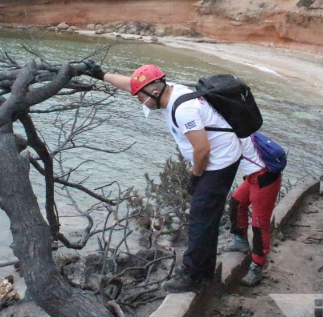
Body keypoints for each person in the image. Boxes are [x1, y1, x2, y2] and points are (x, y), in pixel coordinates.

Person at [82, 61, 242, 293]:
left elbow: (202, 150)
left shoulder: (184, 109)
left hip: (220, 162)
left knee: (201, 215)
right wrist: (100, 75)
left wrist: (195, 177)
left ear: (155, 92)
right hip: (219, 157)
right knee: (204, 213)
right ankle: (204, 269)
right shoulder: (168, 89)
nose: (138, 100)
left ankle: (193, 275)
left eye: (141, 97)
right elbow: (133, 85)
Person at [222, 136, 282, 286]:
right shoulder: (230, 128)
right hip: (254, 175)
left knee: (259, 223)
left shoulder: (226, 132)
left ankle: (257, 267)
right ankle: (240, 241)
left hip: (264, 177)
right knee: (237, 202)